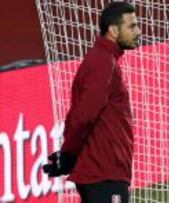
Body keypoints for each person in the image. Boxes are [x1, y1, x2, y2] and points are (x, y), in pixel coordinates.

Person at [42, 2, 141, 203]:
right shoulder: (102, 61)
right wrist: (69, 154)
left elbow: (80, 113)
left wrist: (68, 154)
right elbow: (85, 114)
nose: (138, 31)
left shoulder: (104, 59)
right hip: (103, 173)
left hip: (104, 171)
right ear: (113, 30)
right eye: (131, 26)